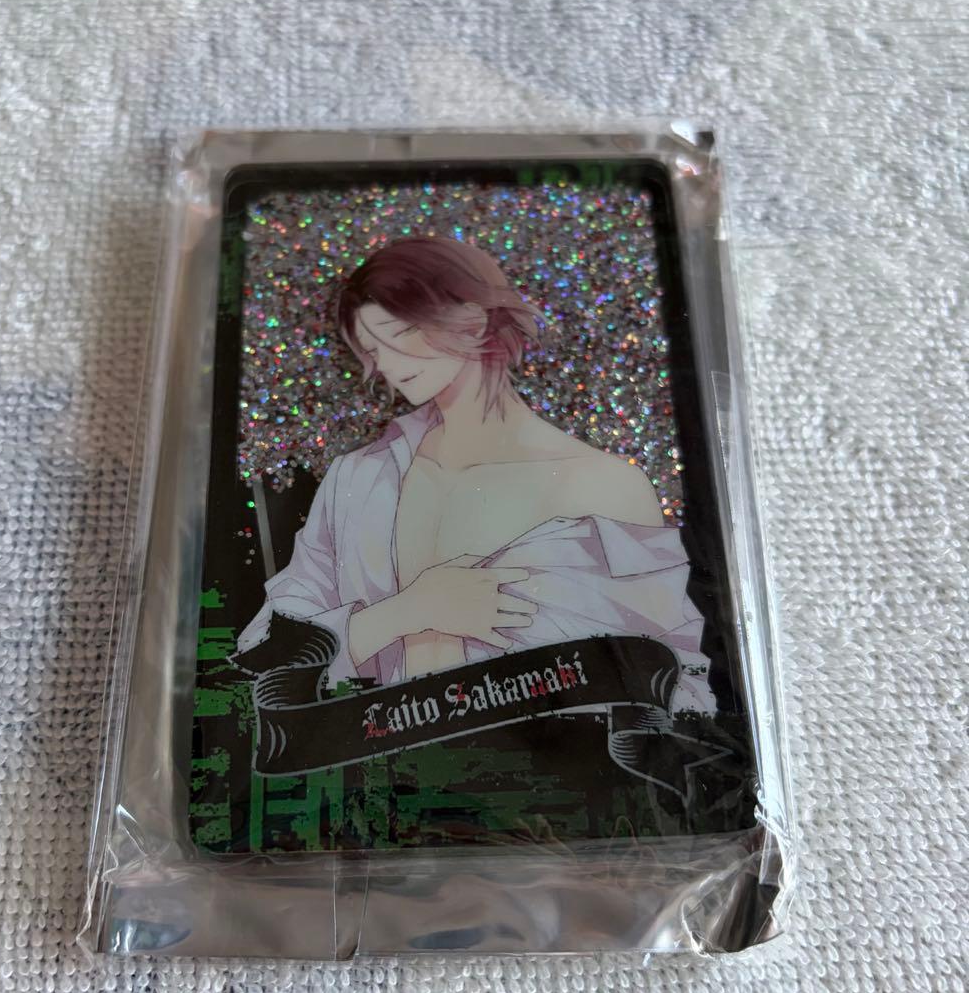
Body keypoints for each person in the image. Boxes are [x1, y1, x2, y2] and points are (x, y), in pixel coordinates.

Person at [237, 236, 714, 713]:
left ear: (473, 317)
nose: (389, 366)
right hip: (378, 749)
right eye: (373, 350)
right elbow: (265, 650)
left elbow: (675, 685)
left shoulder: (603, 484)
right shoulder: (358, 479)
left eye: (400, 334)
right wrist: (403, 614)